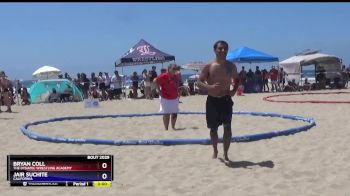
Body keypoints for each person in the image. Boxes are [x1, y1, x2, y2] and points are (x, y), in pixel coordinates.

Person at [197, 40, 239, 162]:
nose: (223, 51)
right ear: (215, 50)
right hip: (212, 101)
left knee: (228, 128)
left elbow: (237, 80)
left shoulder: (231, 66)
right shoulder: (209, 66)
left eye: (225, 48)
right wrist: (209, 87)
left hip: (226, 100)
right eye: (220, 48)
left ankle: (226, 153)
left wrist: (233, 90)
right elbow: (199, 82)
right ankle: (215, 150)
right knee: (213, 129)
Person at [154, 63, 180, 131]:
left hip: (175, 97)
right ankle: (166, 129)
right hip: (165, 97)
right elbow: (155, 81)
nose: (175, 70)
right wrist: (159, 91)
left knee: (174, 113)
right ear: (169, 69)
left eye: (176, 69)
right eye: (173, 69)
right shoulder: (164, 76)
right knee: (166, 114)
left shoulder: (177, 75)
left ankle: (173, 127)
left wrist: (178, 92)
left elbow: (177, 85)